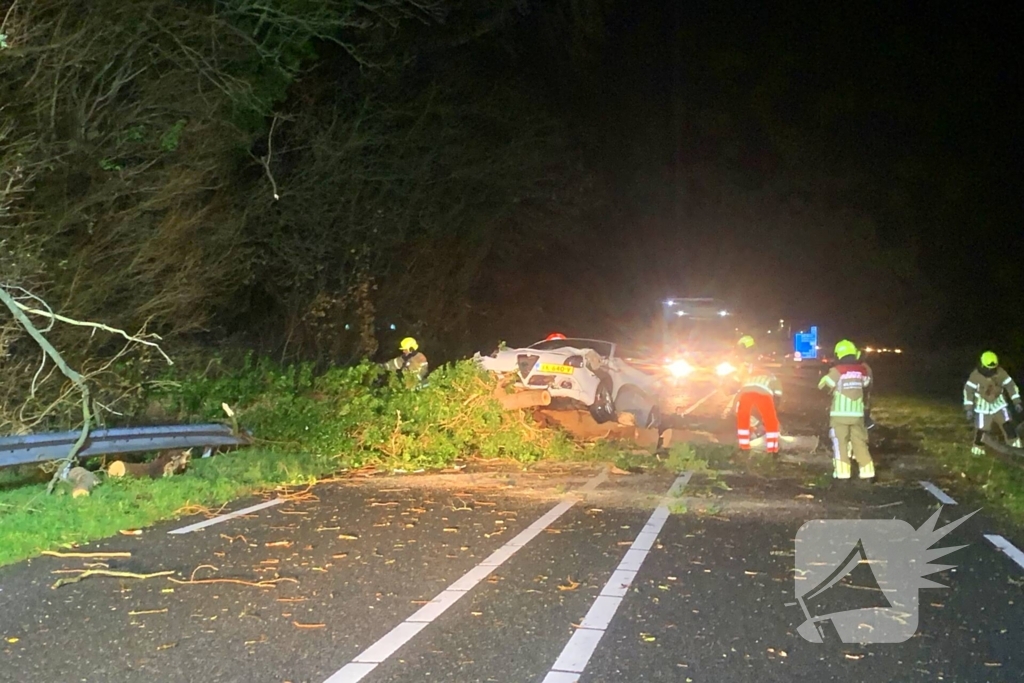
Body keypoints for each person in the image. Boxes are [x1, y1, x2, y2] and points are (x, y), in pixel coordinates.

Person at [818, 340, 875, 480]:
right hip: (858, 415)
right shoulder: (861, 371)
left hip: (840, 415)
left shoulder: (837, 371)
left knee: (840, 443)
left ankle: (843, 474)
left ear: (839, 355)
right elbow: (867, 384)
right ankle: (868, 473)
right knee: (860, 443)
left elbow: (824, 387)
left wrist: (827, 378)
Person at [963, 351, 1021, 455]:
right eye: (987, 368)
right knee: (982, 428)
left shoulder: (1001, 373)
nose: (990, 371)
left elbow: (1010, 385)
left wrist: (1017, 401)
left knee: (1007, 422)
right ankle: (978, 447)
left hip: (999, 403)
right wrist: (968, 408)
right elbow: (968, 391)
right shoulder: (975, 376)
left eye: (992, 368)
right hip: (982, 406)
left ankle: (1014, 442)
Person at [735, 356, 783, 453]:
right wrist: (775, 409)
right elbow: (778, 394)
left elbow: (739, 394)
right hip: (763, 394)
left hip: (744, 394)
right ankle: (772, 449)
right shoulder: (773, 377)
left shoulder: (749, 376)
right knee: (770, 422)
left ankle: (744, 446)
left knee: (744, 420)